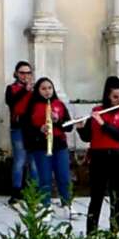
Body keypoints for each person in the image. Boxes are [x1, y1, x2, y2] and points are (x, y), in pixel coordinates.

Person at [76, 76, 119, 235]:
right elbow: (88, 137)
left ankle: (114, 233)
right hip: (98, 159)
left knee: (117, 199)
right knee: (96, 198)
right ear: (107, 96)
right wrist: (81, 128)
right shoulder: (97, 111)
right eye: (115, 97)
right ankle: (91, 234)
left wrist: (103, 124)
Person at [23, 77, 74, 209]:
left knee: (64, 177)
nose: (47, 91)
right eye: (43, 88)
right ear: (38, 90)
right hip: (41, 146)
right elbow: (26, 128)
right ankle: (45, 206)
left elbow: (69, 127)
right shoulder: (33, 106)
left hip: (59, 145)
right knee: (44, 178)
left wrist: (57, 120)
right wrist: (40, 129)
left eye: (49, 88)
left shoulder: (59, 104)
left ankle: (67, 204)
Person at [5, 61, 37, 204]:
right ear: (16, 74)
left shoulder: (35, 90)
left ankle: (34, 191)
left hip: (33, 129)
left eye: (28, 73)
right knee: (20, 160)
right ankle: (16, 192)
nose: (25, 76)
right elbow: (11, 101)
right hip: (18, 128)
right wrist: (25, 90)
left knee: (34, 162)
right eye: (22, 73)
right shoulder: (11, 88)